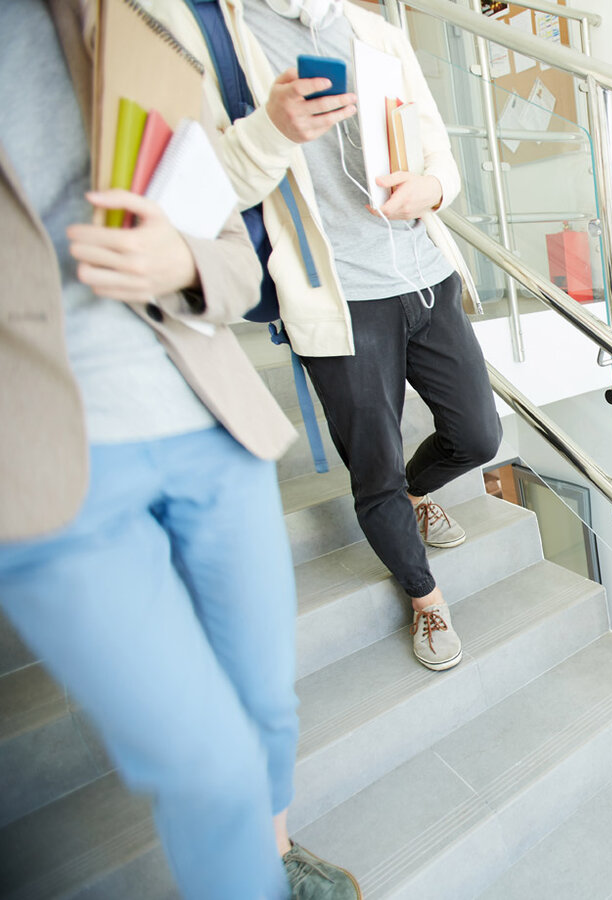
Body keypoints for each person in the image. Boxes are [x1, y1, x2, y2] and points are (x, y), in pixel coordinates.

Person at [0, 1, 358, 897]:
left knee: (269, 713)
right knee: (208, 768)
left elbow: (235, 261)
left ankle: (273, 862)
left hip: (210, 429)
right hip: (45, 468)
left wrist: (182, 262)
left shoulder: (136, 30)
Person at [149, 0, 502, 672]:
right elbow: (202, 190)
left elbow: (440, 157)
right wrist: (273, 129)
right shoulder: (212, 32)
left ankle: (417, 494)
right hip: (339, 295)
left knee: (478, 434)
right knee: (375, 469)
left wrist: (428, 186)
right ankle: (423, 595)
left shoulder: (375, 31)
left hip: (426, 274)